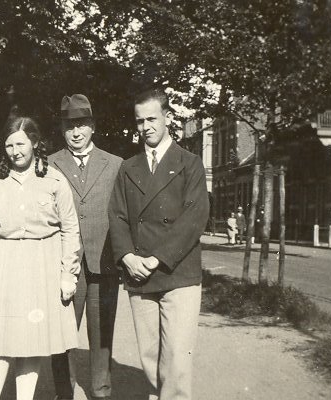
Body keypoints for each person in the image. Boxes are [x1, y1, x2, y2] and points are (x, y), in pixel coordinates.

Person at [0, 116, 81, 400]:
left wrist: (68, 274)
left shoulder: (54, 181)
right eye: (9, 145)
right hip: (3, 264)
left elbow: (70, 228)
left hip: (43, 266)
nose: (15, 151)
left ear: (35, 143)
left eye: (20, 144)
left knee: (32, 342)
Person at [108, 88, 209, 400]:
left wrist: (156, 259)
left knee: (177, 360)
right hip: (139, 273)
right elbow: (118, 216)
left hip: (177, 272)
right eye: (140, 121)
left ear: (168, 117)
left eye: (152, 118)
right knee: (150, 358)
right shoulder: (129, 168)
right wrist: (126, 257)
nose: (146, 127)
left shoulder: (189, 163)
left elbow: (195, 218)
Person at [49, 94, 122, 400]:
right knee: (62, 335)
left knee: (102, 334)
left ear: (92, 126)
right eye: (69, 126)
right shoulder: (49, 164)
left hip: (104, 263)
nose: (76, 132)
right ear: (62, 130)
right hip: (65, 265)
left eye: (81, 125)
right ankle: (63, 393)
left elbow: (122, 214)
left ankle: (101, 392)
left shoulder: (116, 164)